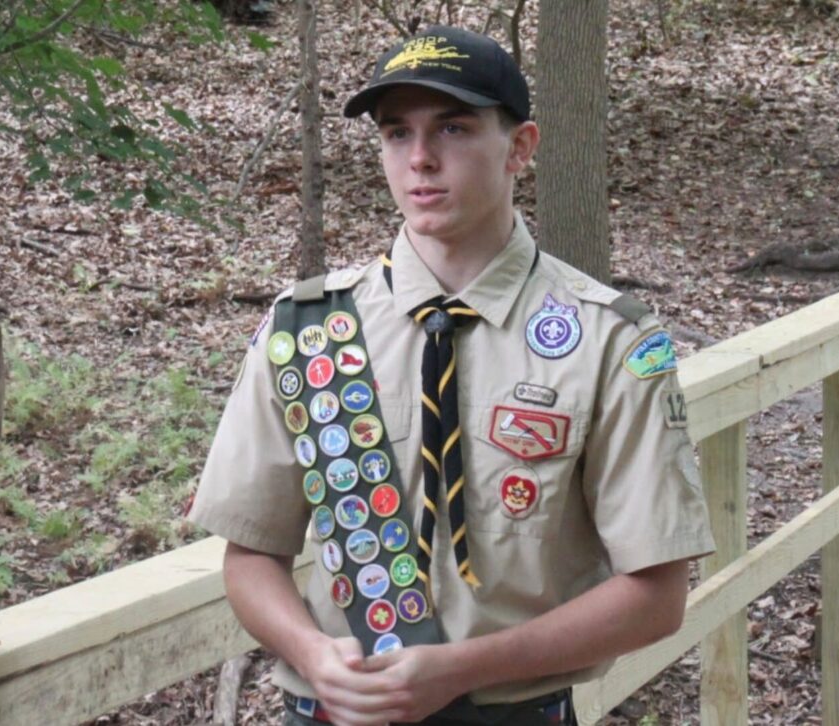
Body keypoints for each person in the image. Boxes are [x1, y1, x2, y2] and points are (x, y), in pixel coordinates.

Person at [188, 24, 714, 726]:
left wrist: (462, 668)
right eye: (396, 133)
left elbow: (657, 594)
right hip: (332, 711)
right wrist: (313, 654)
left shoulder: (606, 340)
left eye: (455, 129)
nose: (421, 159)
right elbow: (251, 552)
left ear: (520, 147)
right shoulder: (309, 331)